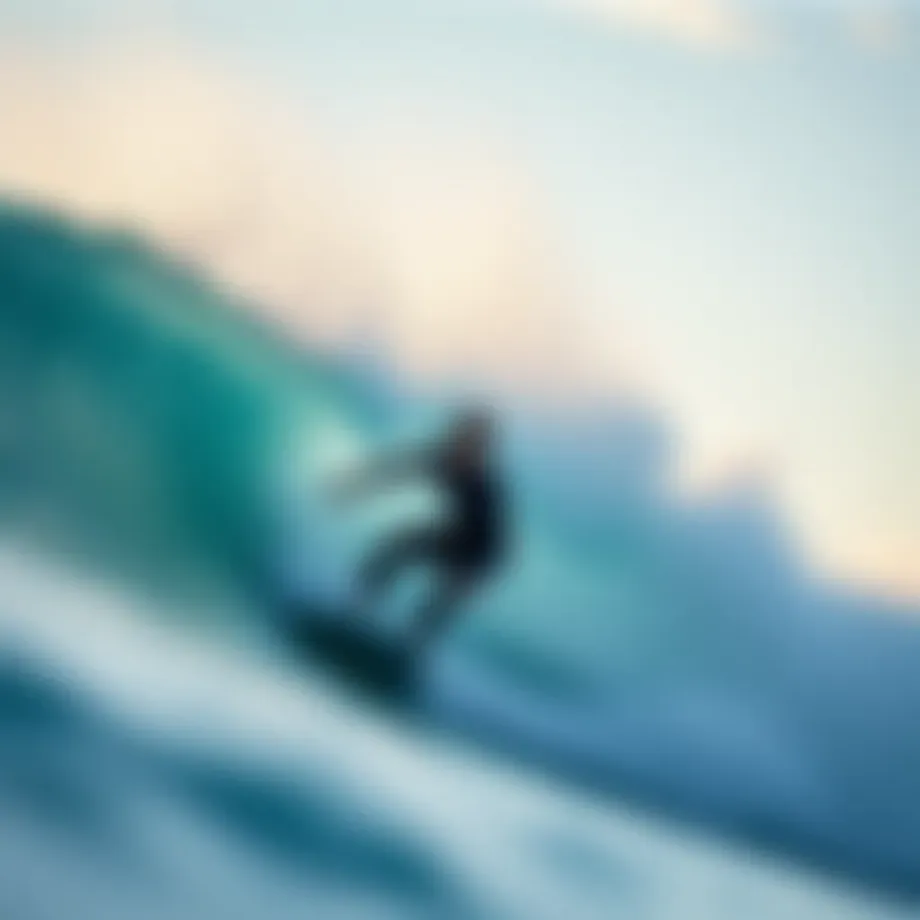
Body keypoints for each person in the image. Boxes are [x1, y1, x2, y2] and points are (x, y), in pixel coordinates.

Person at [335, 407, 507, 658]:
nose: (461, 446)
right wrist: (356, 486)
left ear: (480, 450)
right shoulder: (442, 457)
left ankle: (409, 652)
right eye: (460, 436)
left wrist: (470, 577)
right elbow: (398, 469)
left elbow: (493, 542)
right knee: (392, 548)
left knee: (439, 603)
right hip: (454, 535)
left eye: (472, 444)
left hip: (477, 553)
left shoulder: (484, 486)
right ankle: (354, 612)